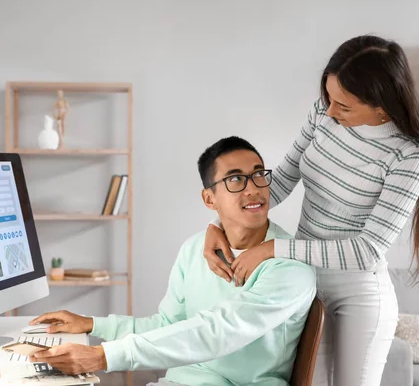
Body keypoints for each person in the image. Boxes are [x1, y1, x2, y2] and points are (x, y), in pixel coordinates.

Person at [203, 35, 419, 386]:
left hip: (358, 293)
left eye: (344, 106)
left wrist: (271, 249)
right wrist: (218, 225)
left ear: (383, 105)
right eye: (329, 98)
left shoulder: (408, 156)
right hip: (304, 278)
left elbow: (367, 250)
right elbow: (282, 179)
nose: (330, 111)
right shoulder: (323, 113)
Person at [28, 136, 316, 386]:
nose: (253, 188)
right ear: (209, 199)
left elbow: (218, 332)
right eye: (235, 179)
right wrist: (92, 325)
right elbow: (168, 324)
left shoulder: (289, 266)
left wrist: (105, 356)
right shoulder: (195, 249)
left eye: (258, 174)